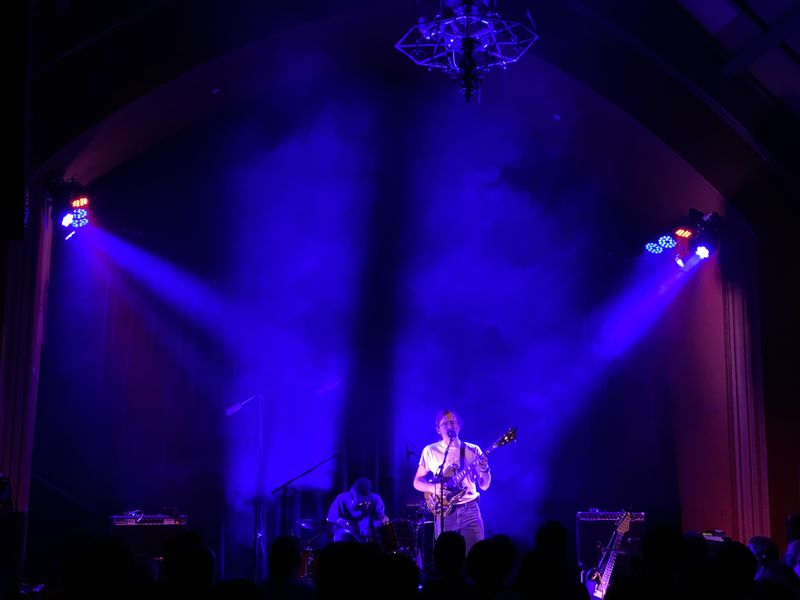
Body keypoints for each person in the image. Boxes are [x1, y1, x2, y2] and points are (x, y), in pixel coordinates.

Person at [413, 409, 490, 554]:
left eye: (453, 422)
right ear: (438, 429)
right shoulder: (430, 451)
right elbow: (417, 482)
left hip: (470, 511)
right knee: (446, 560)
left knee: (476, 556)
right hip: (444, 513)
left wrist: (484, 467)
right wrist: (433, 488)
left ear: (458, 426)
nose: (450, 425)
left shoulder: (473, 450)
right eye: (445, 423)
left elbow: (485, 486)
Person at [326, 477, 389, 543]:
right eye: (361, 503)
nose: (365, 505)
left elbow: (379, 516)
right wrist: (341, 521)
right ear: (352, 497)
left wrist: (382, 518)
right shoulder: (341, 498)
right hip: (345, 540)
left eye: (366, 502)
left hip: (366, 538)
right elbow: (330, 517)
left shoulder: (376, 499)